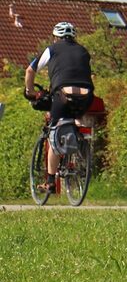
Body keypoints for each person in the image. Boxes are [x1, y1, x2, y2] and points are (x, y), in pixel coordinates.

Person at [24, 22, 94, 192]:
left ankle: (49, 183)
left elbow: (29, 71)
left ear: (55, 37)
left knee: (54, 133)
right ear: (74, 37)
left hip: (62, 95)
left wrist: (30, 91)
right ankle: (79, 137)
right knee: (74, 117)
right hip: (87, 96)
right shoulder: (83, 51)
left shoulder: (51, 49)